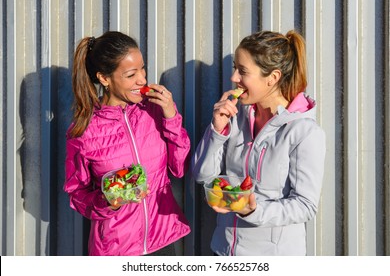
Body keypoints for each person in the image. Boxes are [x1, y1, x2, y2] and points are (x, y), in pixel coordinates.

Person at [191, 30, 326, 256]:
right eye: (235, 68)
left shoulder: (304, 131)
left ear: (272, 78)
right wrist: (217, 130)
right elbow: (202, 177)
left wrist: (252, 211)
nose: (234, 78)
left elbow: (305, 205)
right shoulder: (235, 115)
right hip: (223, 251)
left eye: (242, 71)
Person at [64, 31, 191, 256]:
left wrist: (171, 115)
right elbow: (77, 193)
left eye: (142, 69)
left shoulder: (153, 110)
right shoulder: (83, 131)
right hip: (115, 249)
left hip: (161, 242)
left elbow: (179, 167)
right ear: (104, 78)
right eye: (131, 74)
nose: (142, 80)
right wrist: (108, 201)